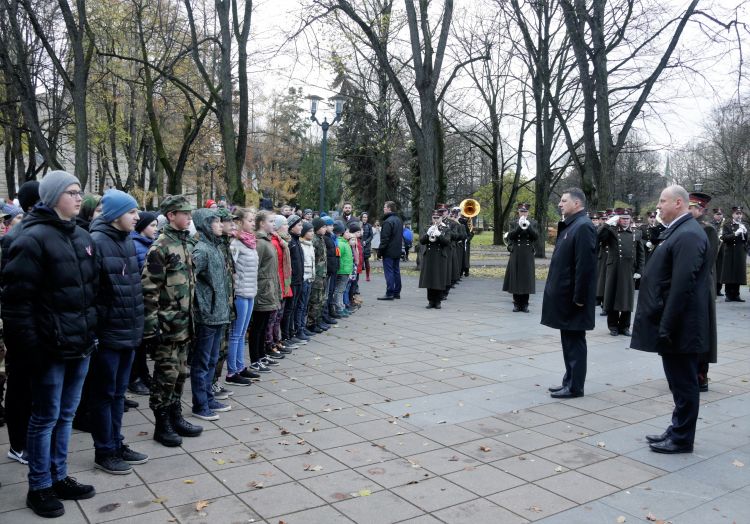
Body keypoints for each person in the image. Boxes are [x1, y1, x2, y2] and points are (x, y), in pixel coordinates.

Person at [2, 171, 98, 517]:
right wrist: (33, 351)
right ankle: (39, 485)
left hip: (80, 344)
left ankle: (59, 476)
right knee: (45, 418)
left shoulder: (81, 235)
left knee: (66, 415)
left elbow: (91, 292)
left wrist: (92, 331)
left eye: (79, 191)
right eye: (71, 192)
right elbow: (17, 304)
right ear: (54, 196)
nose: (78, 197)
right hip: (49, 350)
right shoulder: (30, 238)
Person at [631, 185, 711, 454]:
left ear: (678, 203)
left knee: (684, 382)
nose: (658, 205)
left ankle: (682, 438)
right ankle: (677, 429)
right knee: (677, 381)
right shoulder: (679, 231)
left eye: (662, 201)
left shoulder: (688, 234)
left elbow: (682, 285)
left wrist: (667, 325)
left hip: (681, 325)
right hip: (674, 323)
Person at [88, 190, 149, 475]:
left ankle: (116, 443)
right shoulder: (97, 242)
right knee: (104, 394)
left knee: (117, 395)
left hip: (128, 331)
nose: (137, 217)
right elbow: (92, 294)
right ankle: (104, 451)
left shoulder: (124, 240)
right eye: (131, 212)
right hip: (109, 334)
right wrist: (98, 331)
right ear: (114, 215)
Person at [141, 195, 203, 447]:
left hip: (184, 325)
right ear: (171, 216)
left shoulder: (184, 243)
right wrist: (150, 329)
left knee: (180, 374)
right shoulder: (161, 247)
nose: (189, 217)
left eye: (189, 213)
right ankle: (162, 424)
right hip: (166, 327)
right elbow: (149, 291)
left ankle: (176, 416)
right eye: (184, 213)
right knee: (165, 376)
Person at [541, 188, 597, 399]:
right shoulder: (572, 225)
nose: (560, 204)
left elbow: (585, 266)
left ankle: (575, 387)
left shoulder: (583, 227)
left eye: (564, 201)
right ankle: (569, 381)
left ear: (577, 203)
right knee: (568, 340)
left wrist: (579, 298)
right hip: (566, 297)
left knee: (575, 341)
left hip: (574, 299)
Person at [1, 180, 40, 466]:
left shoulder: (37, 232)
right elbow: (13, 290)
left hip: (37, 324)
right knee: (20, 386)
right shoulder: (18, 237)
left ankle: (30, 439)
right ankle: (18, 445)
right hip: (23, 328)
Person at [189, 209, 232, 421]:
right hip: (207, 315)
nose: (220, 225)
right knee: (202, 361)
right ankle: (200, 404)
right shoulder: (201, 250)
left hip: (219, 313)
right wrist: (202, 305)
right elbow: (190, 279)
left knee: (213, 359)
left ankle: (208, 397)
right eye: (215, 222)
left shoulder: (215, 247)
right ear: (205, 225)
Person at [688, 192, 719, 392]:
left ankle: (701, 375)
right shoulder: (684, 226)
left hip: (700, 286)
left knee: (702, 329)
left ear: (700, 209)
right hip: (687, 286)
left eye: (691, 207)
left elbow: (708, 260)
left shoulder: (707, 229)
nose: (687, 210)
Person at [225, 208, 259, 387]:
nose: (253, 223)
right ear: (239, 222)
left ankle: (240, 367)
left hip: (250, 292)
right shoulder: (235, 243)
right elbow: (230, 270)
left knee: (242, 333)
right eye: (250, 220)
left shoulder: (250, 242)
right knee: (236, 334)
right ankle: (232, 372)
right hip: (240, 293)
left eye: (254, 220)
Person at [598, 208, 644, 336]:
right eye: (623, 218)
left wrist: (640, 270)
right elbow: (598, 237)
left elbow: (640, 254)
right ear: (619, 219)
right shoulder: (612, 231)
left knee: (626, 299)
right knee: (612, 297)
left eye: (627, 218)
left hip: (629, 270)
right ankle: (613, 326)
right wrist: (607, 224)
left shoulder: (636, 232)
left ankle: (625, 326)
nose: (625, 221)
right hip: (614, 269)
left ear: (630, 219)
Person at [128, 211, 158, 396]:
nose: (155, 229)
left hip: (148, 302)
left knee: (143, 343)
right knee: (137, 345)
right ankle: (135, 378)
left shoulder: (150, 244)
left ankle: (144, 374)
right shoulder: (134, 245)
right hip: (139, 301)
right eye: (152, 225)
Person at [249, 211, 281, 374]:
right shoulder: (260, 243)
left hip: (269, 288)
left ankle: (261, 355)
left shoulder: (267, 241)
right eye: (271, 221)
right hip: (262, 290)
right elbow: (256, 267)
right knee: (258, 326)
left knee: (263, 325)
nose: (274, 224)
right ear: (261, 223)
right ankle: (255, 359)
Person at [503, 204, 538, 313]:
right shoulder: (513, 223)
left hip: (527, 253)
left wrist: (528, 227)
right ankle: (517, 304)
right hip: (516, 253)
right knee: (516, 277)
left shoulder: (533, 223)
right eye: (521, 211)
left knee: (526, 278)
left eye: (525, 211)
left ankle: (525, 304)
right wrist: (519, 226)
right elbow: (510, 236)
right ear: (518, 212)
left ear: (528, 212)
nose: (523, 213)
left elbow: (536, 236)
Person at [420, 211, 451, 309]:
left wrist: (439, 235)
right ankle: (430, 301)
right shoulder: (428, 227)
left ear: (441, 218)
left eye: (438, 217)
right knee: (429, 279)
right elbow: (422, 241)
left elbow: (447, 242)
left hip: (440, 256)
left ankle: (438, 301)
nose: (436, 219)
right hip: (429, 256)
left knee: (439, 279)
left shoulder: (446, 229)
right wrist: (428, 233)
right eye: (434, 217)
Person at [307, 218, 330, 333]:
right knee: (315, 300)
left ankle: (318, 321)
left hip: (322, 274)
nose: (325, 229)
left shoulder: (321, 239)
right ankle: (311, 323)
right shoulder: (314, 240)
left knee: (321, 299)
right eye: (323, 227)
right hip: (316, 275)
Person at [719, 206, 747, 302]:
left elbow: (746, 241)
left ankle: (736, 294)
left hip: (740, 252)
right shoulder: (727, 225)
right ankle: (728, 294)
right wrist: (735, 234)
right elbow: (724, 238)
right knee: (729, 273)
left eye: (740, 214)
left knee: (738, 272)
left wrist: (745, 233)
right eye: (737, 214)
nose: (739, 215)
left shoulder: (743, 225)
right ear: (733, 215)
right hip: (730, 251)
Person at [377, 201, 403, 300]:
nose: (383, 209)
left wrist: (380, 252)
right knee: (396, 271)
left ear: (389, 208)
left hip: (389, 251)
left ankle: (390, 293)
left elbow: (385, 239)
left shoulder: (388, 222)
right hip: (397, 250)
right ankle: (397, 292)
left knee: (389, 272)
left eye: (385, 207)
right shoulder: (399, 220)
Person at [297, 221, 316, 336]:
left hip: (310, 278)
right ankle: (298, 329)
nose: (312, 233)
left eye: (313, 231)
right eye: (310, 231)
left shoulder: (310, 244)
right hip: (304, 278)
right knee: (301, 305)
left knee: (305, 305)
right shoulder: (301, 245)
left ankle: (302, 327)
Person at [334, 222, 353, 316]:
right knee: (339, 290)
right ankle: (339, 307)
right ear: (342, 233)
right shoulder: (341, 243)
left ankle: (341, 306)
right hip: (342, 271)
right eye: (347, 232)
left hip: (346, 270)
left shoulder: (345, 242)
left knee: (342, 289)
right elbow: (338, 258)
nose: (349, 234)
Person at [711, 208, 725, 296]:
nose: (719, 216)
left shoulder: (724, 225)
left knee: (720, 269)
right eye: (717, 214)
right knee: (713, 269)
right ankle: (713, 289)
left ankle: (719, 289)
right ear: (714, 215)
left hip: (722, 249)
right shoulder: (710, 224)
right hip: (713, 248)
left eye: (720, 214)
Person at [361, 212, 373, 281]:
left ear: (367, 218)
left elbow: (371, 236)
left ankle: (367, 276)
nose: (364, 218)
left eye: (365, 217)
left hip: (366, 246)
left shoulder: (369, 226)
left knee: (366, 261)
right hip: (359, 245)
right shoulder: (359, 225)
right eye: (363, 217)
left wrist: (366, 242)